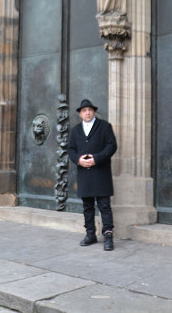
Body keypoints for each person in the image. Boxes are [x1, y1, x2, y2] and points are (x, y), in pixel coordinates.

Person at [67, 99, 118, 251]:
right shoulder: (75, 130)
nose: (87, 112)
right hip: (84, 173)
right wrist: (78, 160)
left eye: (89, 110)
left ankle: (108, 235)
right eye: (84, 110)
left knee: (104, 205)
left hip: (101, 172)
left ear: (94, 111)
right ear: (80, 114)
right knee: (87, 206)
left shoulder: (104, 126)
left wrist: (97, 158)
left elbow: (111, 146)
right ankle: (90, 234)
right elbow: (71, 149)